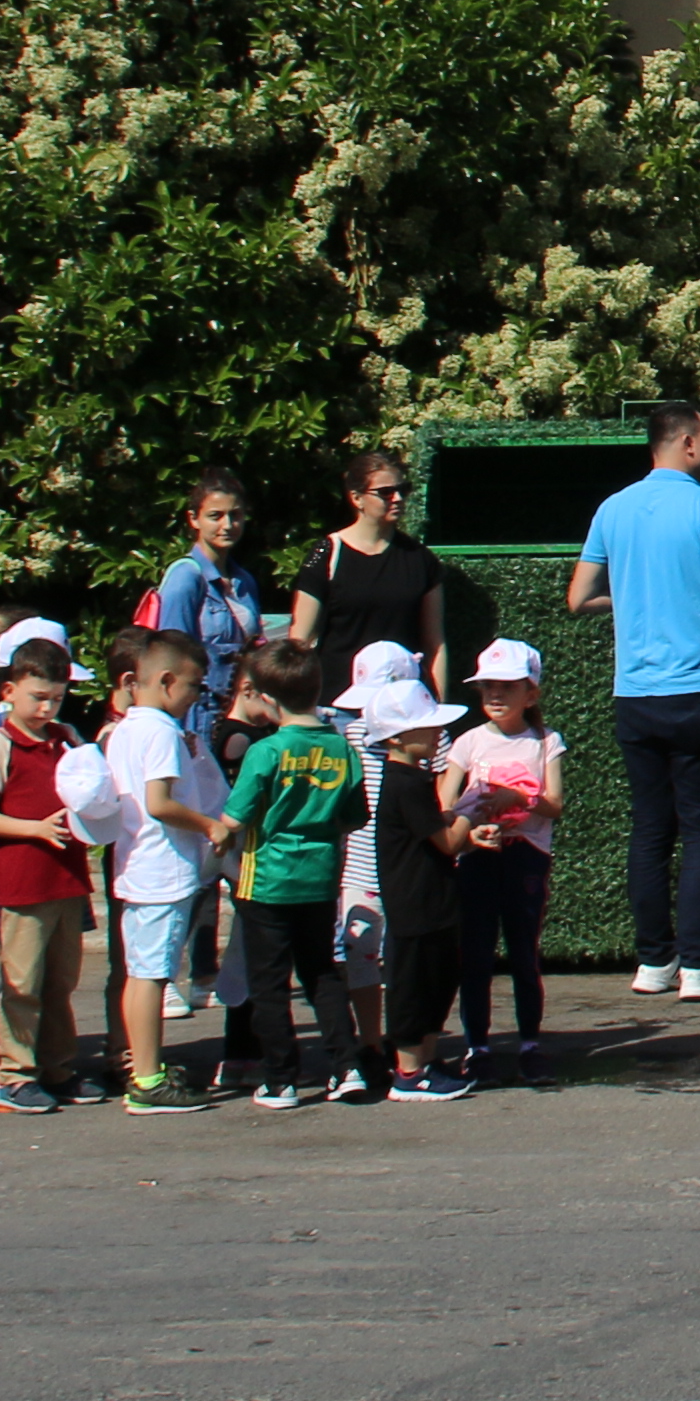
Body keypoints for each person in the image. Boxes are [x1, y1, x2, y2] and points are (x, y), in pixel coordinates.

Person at [567, 403, 700, 1008]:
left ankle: (653, 960)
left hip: (635, 692)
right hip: (699, 685)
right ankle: (697, 964)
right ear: (689, 443)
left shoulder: (611, 508)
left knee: (649, 827)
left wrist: (637, 595)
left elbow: (578, 596)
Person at [216, 638, 371, 1107]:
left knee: (268, 982)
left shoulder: (265, 752)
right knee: (321, 973)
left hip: (266, 879)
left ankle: (280, 1077)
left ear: (265, 697)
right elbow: (356, 816)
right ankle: (347, 1068)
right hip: (320, 877)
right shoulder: (343, 749)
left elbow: (234, 817)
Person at [0, 636, 104, 1110]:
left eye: (57, 698)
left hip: (65, 877)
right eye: (38, 697)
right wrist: (36, 829)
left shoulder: (65, 739)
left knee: (61, 981)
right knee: (21, 982)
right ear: (9, 691)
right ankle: (14, 1074)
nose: (47, 708)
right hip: (23, 880)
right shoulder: (0, 745)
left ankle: (57, 1067)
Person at [98, 630, 231, 1114]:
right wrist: (208, 825)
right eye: (194, 686)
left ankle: (144, 1067)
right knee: (153, 975)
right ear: (168, 681)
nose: (198, 696)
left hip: (137, 863)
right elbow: (160, 803)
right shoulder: (160, 733)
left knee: (141, 973)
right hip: (163, 867)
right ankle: (148, 1079)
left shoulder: (127, 728)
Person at [440, 640, 564, 1083]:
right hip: (478, 859)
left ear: (530, 694)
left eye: (507, 687)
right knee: (474, 955)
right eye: (488, 686)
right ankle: (478, 1047)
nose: (495, 695)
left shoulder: (546, 741)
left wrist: (519, 798)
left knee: (523, 952)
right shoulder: (467, 742)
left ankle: (530, 1044)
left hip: (526, 859)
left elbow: (554, 804)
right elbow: (446, 805)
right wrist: (473, 830)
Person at [363, 682, 478, 1102]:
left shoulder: (415, 777)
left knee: (438, 978)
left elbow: (438, 833)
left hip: (432, 898)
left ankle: (426, 1061)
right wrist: (474, 805)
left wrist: (462, 824)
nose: (436, 734)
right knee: (413, 984)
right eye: (426, 728)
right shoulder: (405, 781)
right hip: (414, 902)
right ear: (395, 738)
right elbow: (446, 841)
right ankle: (408, 1072)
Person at [290, 448, 454, 689]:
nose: (397, 498)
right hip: (336, 702)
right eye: (386, 492)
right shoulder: (327, 554)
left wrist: (439, 708)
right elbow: (300, 639)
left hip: (403, 703)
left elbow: (435, 644)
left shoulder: (420, 560)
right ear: (357, 498)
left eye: (402, 490)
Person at [150, 481, 265, 755]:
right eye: (216, 516)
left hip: (237, 718)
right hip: (196, 718)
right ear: (194, 519)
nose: (227, 525)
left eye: (235, 515)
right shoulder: (185, 578)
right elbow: (171, 661)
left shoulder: (245, 581)